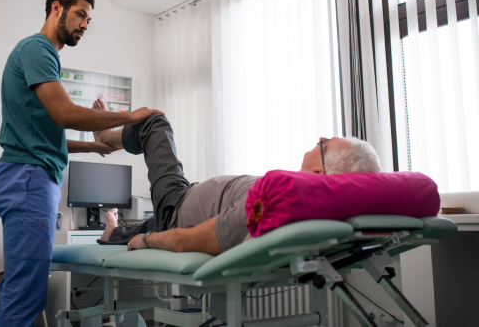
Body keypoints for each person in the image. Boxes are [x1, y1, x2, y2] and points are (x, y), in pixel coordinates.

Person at [0, 0, 163, 327]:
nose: (85, 24)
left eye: (89, 19)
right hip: (28, 178)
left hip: (24, 173)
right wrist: (128, 117)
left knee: (20, 288)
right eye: (80, 14)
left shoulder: (38, 54)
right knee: (26, 292)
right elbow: (65, 114)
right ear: (57, 9)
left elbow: (40, 134)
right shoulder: (38, 49)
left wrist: (93, 146)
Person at [92, 98, 382, 255]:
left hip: (178, 208)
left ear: (321, 172)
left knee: (154, 122)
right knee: (150, 221)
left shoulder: (276, 203)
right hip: (188, 204)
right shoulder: (299, 198)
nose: (320, 137)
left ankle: (106, 134)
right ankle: (113, 232)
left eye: (325, 144)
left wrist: (149, 241)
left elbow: (189, 239)